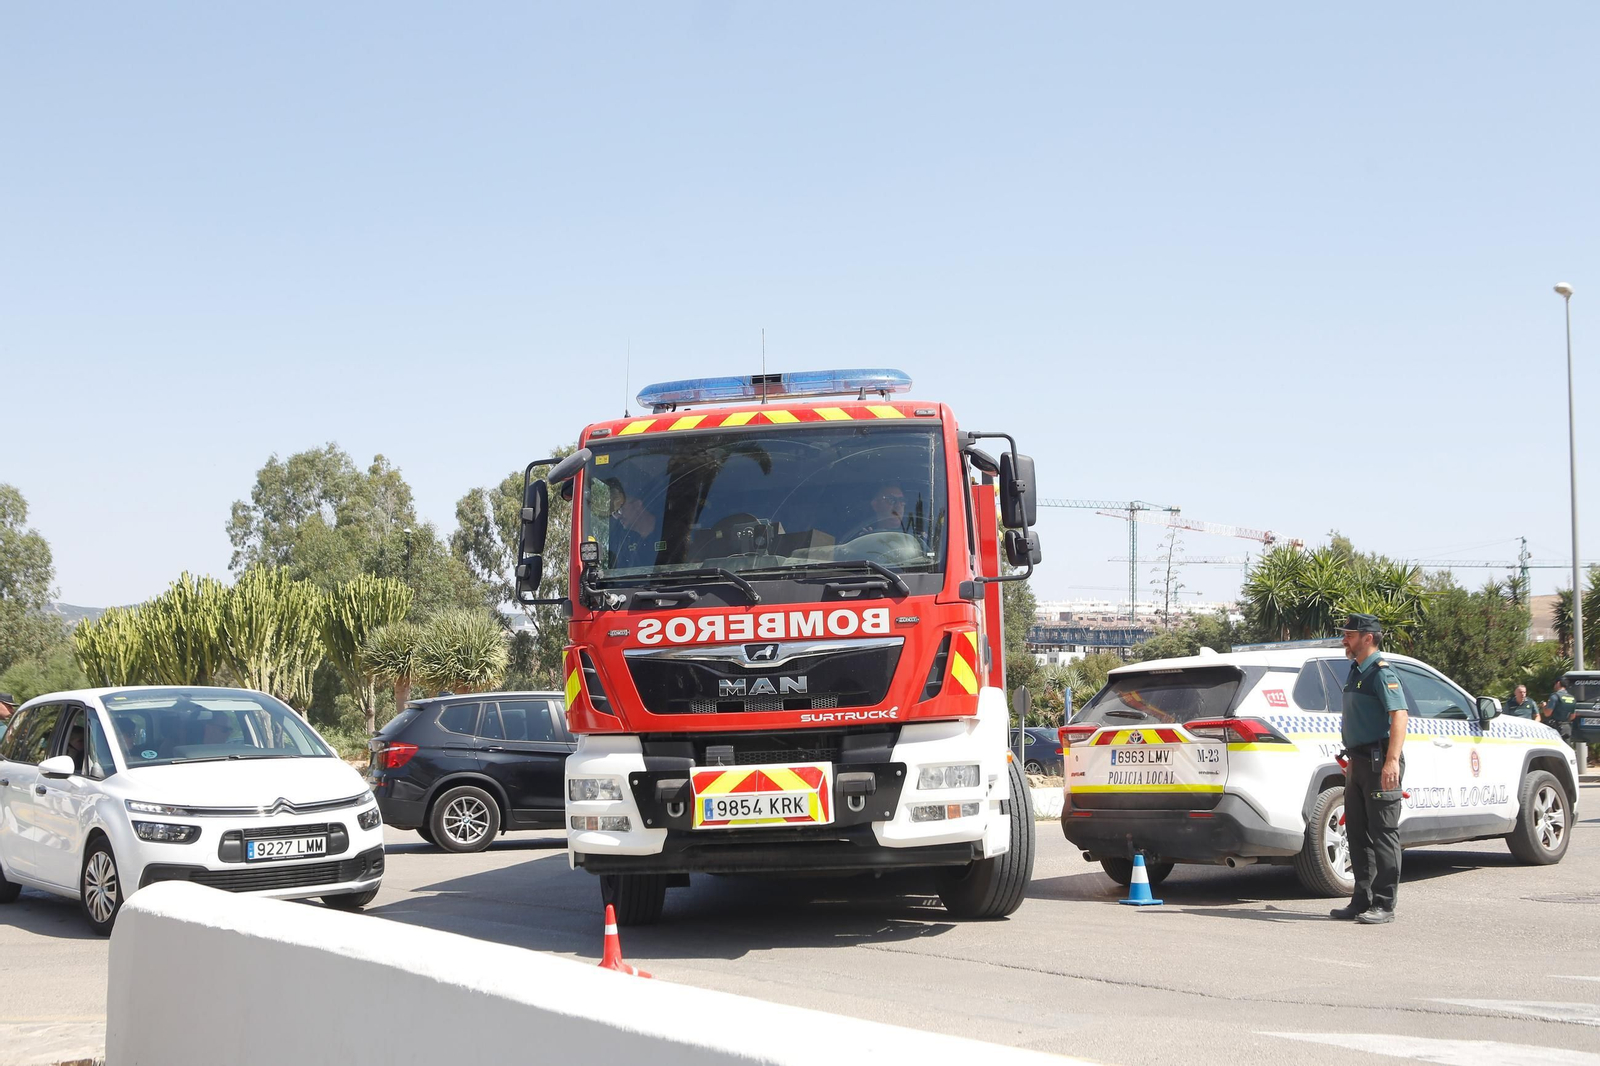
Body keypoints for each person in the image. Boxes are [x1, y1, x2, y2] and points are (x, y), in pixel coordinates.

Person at [1330, 613, 1408, 925]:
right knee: (1357, 834)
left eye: (1349, 634)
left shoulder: (1381, 673)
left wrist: (1391, 761)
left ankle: (1385, 903)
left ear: (1368, 637)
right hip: (1358, 762)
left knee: (1383, 833)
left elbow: (1399, 716)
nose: (1344, 639)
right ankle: (1361, 899)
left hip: (1380, 763)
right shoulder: (1355, 670)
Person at [602, 479, 661, 570]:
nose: (617, 517)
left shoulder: (670, 527)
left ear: (637, 504)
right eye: (614, 513)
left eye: (620, 509)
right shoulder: (622, 542)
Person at [1543, 679, 1579, 758]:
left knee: (1553, 752)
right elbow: (1572, 716)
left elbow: (1547, 713)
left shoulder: (1555, 696)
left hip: (1554, 728)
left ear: (1558, 683)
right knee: (1566, 751)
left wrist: (1544, 706)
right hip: (1566, 727)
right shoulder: (1572, 698)